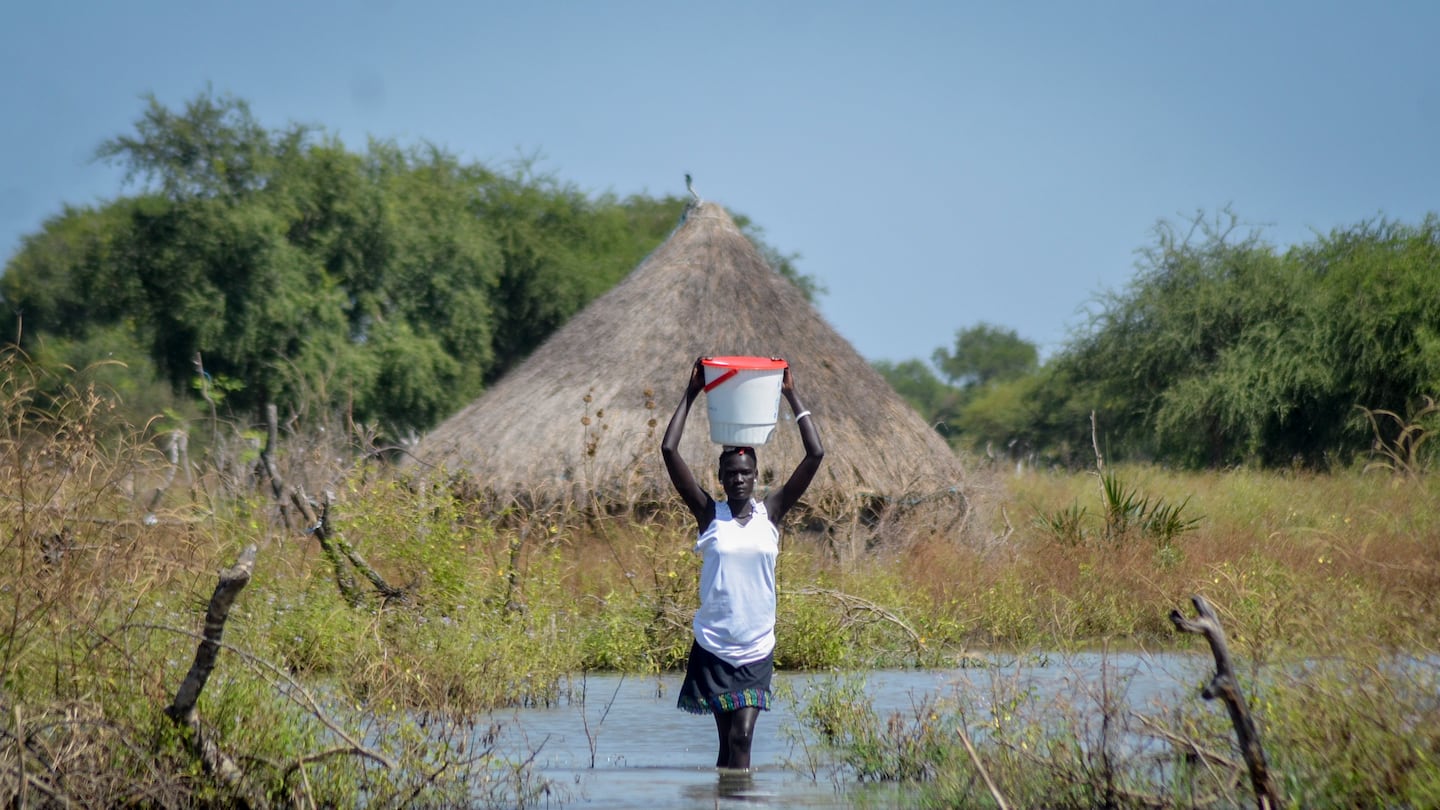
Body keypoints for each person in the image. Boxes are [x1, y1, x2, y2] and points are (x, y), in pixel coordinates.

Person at [661, 357, 825, 770]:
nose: (738, 479)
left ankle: (740, 798)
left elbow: (815, 453)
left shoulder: (771, 514)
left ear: (755, 476)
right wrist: (692, 391)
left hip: (756, 645)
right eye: (731, 474)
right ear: (720, 478)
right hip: (715, 643)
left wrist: (790, 394)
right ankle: (728, 797)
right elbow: (668, 450)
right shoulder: (708, 516)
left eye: (745, 473)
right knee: (725, 745)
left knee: (743, 734)